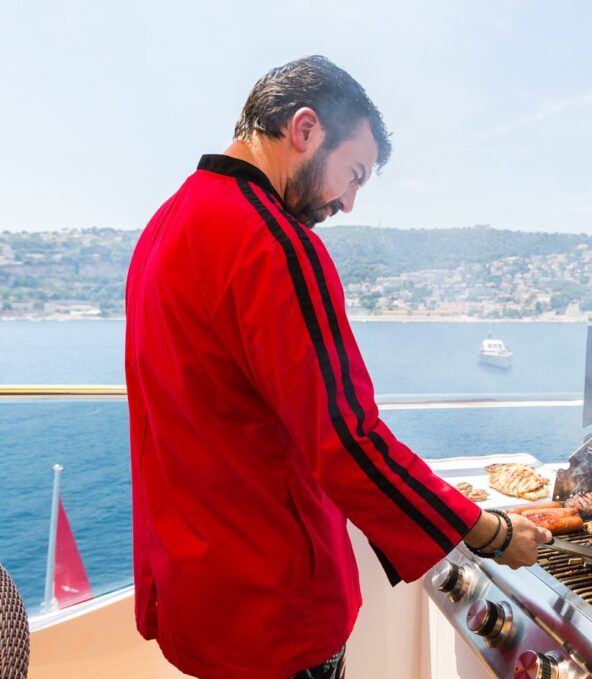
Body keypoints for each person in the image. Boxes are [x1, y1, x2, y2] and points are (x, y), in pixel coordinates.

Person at [124, 55, 551, 679]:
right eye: (353, 174)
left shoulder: (163, 228)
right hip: (274, 607)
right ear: (304, 130)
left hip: (198, 591)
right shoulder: (273, 244)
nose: (348, 203)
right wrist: (485, 530)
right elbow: (346, 439)